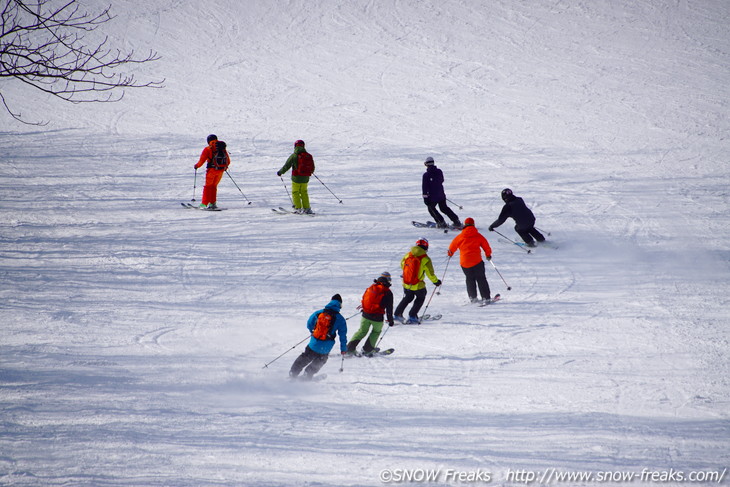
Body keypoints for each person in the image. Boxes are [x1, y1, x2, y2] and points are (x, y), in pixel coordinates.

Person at [289, 294, 347, 380]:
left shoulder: (319, 313)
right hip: (326, 348)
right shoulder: (340, 319)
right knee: (320, 361)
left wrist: (314, 332)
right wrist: (343, 349)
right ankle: (307, 374)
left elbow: (309, 324)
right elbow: (343, 335)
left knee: (305, 357)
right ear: (340, 305)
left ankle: (293, 372)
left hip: (314, 343)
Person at [394, 238, 442, 324]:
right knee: (420, 297)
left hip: (406, 283)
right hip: (417, 284)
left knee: (407, 297)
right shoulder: (425, 258)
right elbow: (430, 273)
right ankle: (412, 316)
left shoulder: (408, 255)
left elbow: (402, 264)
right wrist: (436, 281)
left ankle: (397, 315)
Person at [347, 272, 395, 356]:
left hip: (365, 315)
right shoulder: (387, 292)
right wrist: (390, 320)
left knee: (362, 331)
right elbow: (389, 308)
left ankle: (349, 349)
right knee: (376, 332)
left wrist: (365, 309)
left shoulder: (371, 287)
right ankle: (367, 350)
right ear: (388, 281)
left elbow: (365, 299)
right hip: (377, 317)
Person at [448, 217, 493, 304]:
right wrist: (488, 255)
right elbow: (486, 246)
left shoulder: (460, 236)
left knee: (469, 279)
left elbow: (452, 247)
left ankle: (473, 297)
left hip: (465, 263)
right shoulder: (478, 235)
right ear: (473, 225)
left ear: (465, 225)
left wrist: (450, 254)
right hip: (477, 262)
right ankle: (486, 297)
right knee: (481, 279)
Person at [422, 156, 461, 229]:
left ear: (426, 164)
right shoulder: (439, 171)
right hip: (441, 194)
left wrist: (425, 198)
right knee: (444, 208)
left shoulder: (426, 175)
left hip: (432, 197)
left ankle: (441, 222)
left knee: (431, 208)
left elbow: (424, 187)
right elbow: (442, 180)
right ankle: (456, 221)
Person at [277, 139, 315, 214]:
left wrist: (280, 172)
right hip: (305, 178)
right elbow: (312, 168)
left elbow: (287, 166)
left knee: (295, 192)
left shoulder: (294, 156)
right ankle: (307, 208)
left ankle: (298, 208)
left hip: (296, 178)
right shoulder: (308, 156)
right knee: (304, 192)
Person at [193, 134, 230, 209]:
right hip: (220, 171)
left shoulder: (207, 149)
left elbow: (201, 161)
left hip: (211, 170)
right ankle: (213, 203)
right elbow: (228, 161)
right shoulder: (222, 148)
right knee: (214, 186)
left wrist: (196, 166)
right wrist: (224, 167)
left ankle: (204, 204)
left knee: (207, 187)